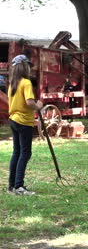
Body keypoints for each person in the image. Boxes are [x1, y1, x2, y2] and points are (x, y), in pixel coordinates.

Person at [7, 55, 43, 195]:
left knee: (17, 152)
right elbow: (29, 102)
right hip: (23, 121)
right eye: (28, 66)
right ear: (24, 67)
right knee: (25, 153)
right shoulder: (26, 82)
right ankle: (19, 186)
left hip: (14, 119)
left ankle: (11, 186)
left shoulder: (13, 84)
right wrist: (38, 105)